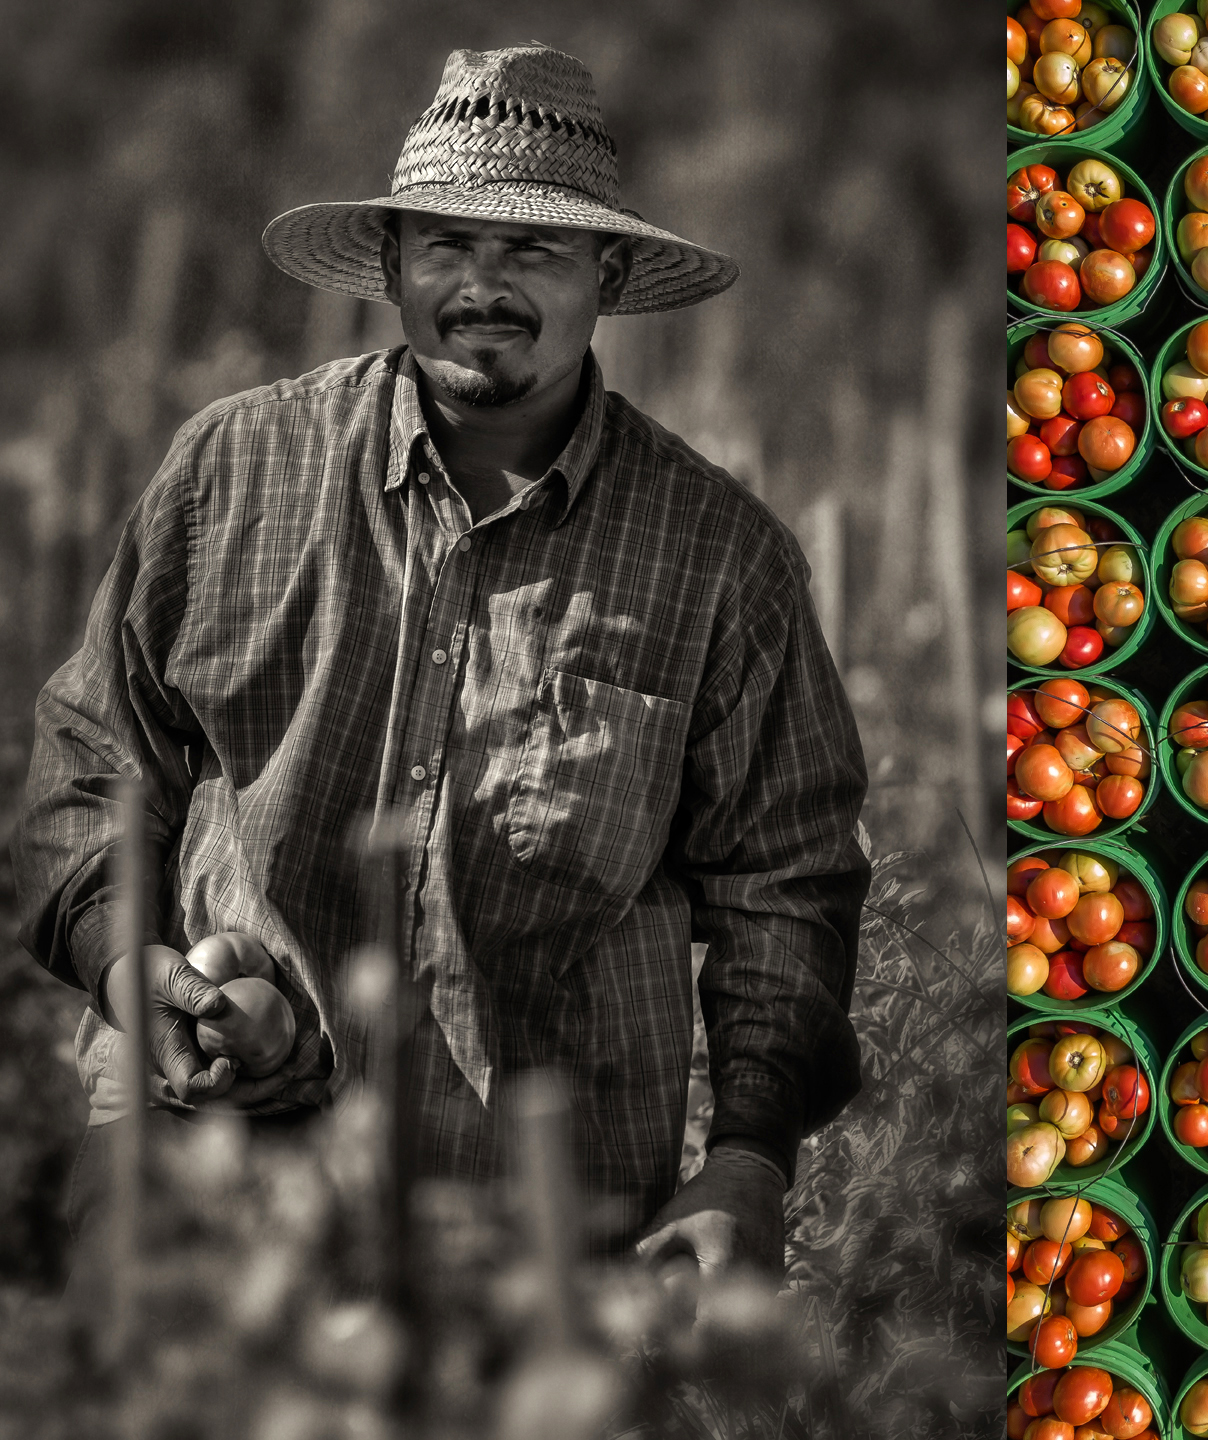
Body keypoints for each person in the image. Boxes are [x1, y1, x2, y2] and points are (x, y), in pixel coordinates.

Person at [12, 42, 868, 1282]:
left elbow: (783, 883)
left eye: (532, 249)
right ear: (395, 262)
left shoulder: (718, 558)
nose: (483, 285)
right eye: (448, 245)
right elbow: (93, 763)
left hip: (532, 1225)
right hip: (204, 1161)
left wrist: (747, 1157)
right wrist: (143, 978)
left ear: (608, 271)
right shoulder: (235, 472)